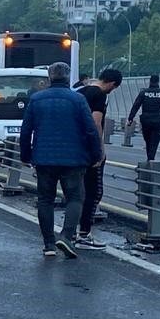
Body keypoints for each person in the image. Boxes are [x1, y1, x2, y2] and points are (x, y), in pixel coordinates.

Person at [19, 62, 102, 258]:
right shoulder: (78, 99)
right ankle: (66, 236)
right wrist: (96, 154)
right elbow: (90, 129)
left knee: (45, 199)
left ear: (49, 77)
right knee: (75, 198)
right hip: (74, 159)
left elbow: (26, 130)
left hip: (44, 159)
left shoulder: (37, 99)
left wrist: (25, 155)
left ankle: (48, 245)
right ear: (67, 77)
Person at [74, 68, 122, 250]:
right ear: (112, 84)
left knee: (77, 190)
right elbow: (96, 123)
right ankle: (84, 233)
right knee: (94, 191)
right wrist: (99, 150)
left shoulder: (80, 91)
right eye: (114, 87)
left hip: (74, 147)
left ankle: (72, 231)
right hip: (88, 149)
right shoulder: (100, 95)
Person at [126, 74, 160, 161]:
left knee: (147, 140)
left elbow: (136, 105)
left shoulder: (143, 92)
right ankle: (151, 158)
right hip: (158, 120)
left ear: (150, 81)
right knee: (155, 140)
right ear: (158, 81)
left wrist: (130, 118)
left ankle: (149, 157)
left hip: (146, 120)